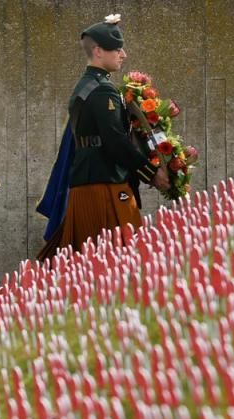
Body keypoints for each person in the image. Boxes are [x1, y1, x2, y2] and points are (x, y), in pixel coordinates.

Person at [36, 14, 160, 262]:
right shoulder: (102, 89)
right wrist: (153, 173)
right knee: (120, 259)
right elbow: (115, 143)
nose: (123, 55)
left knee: (88, 261)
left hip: (91, 182)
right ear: (99, 51)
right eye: (117, 49)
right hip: (105, 185)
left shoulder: (87, 85)